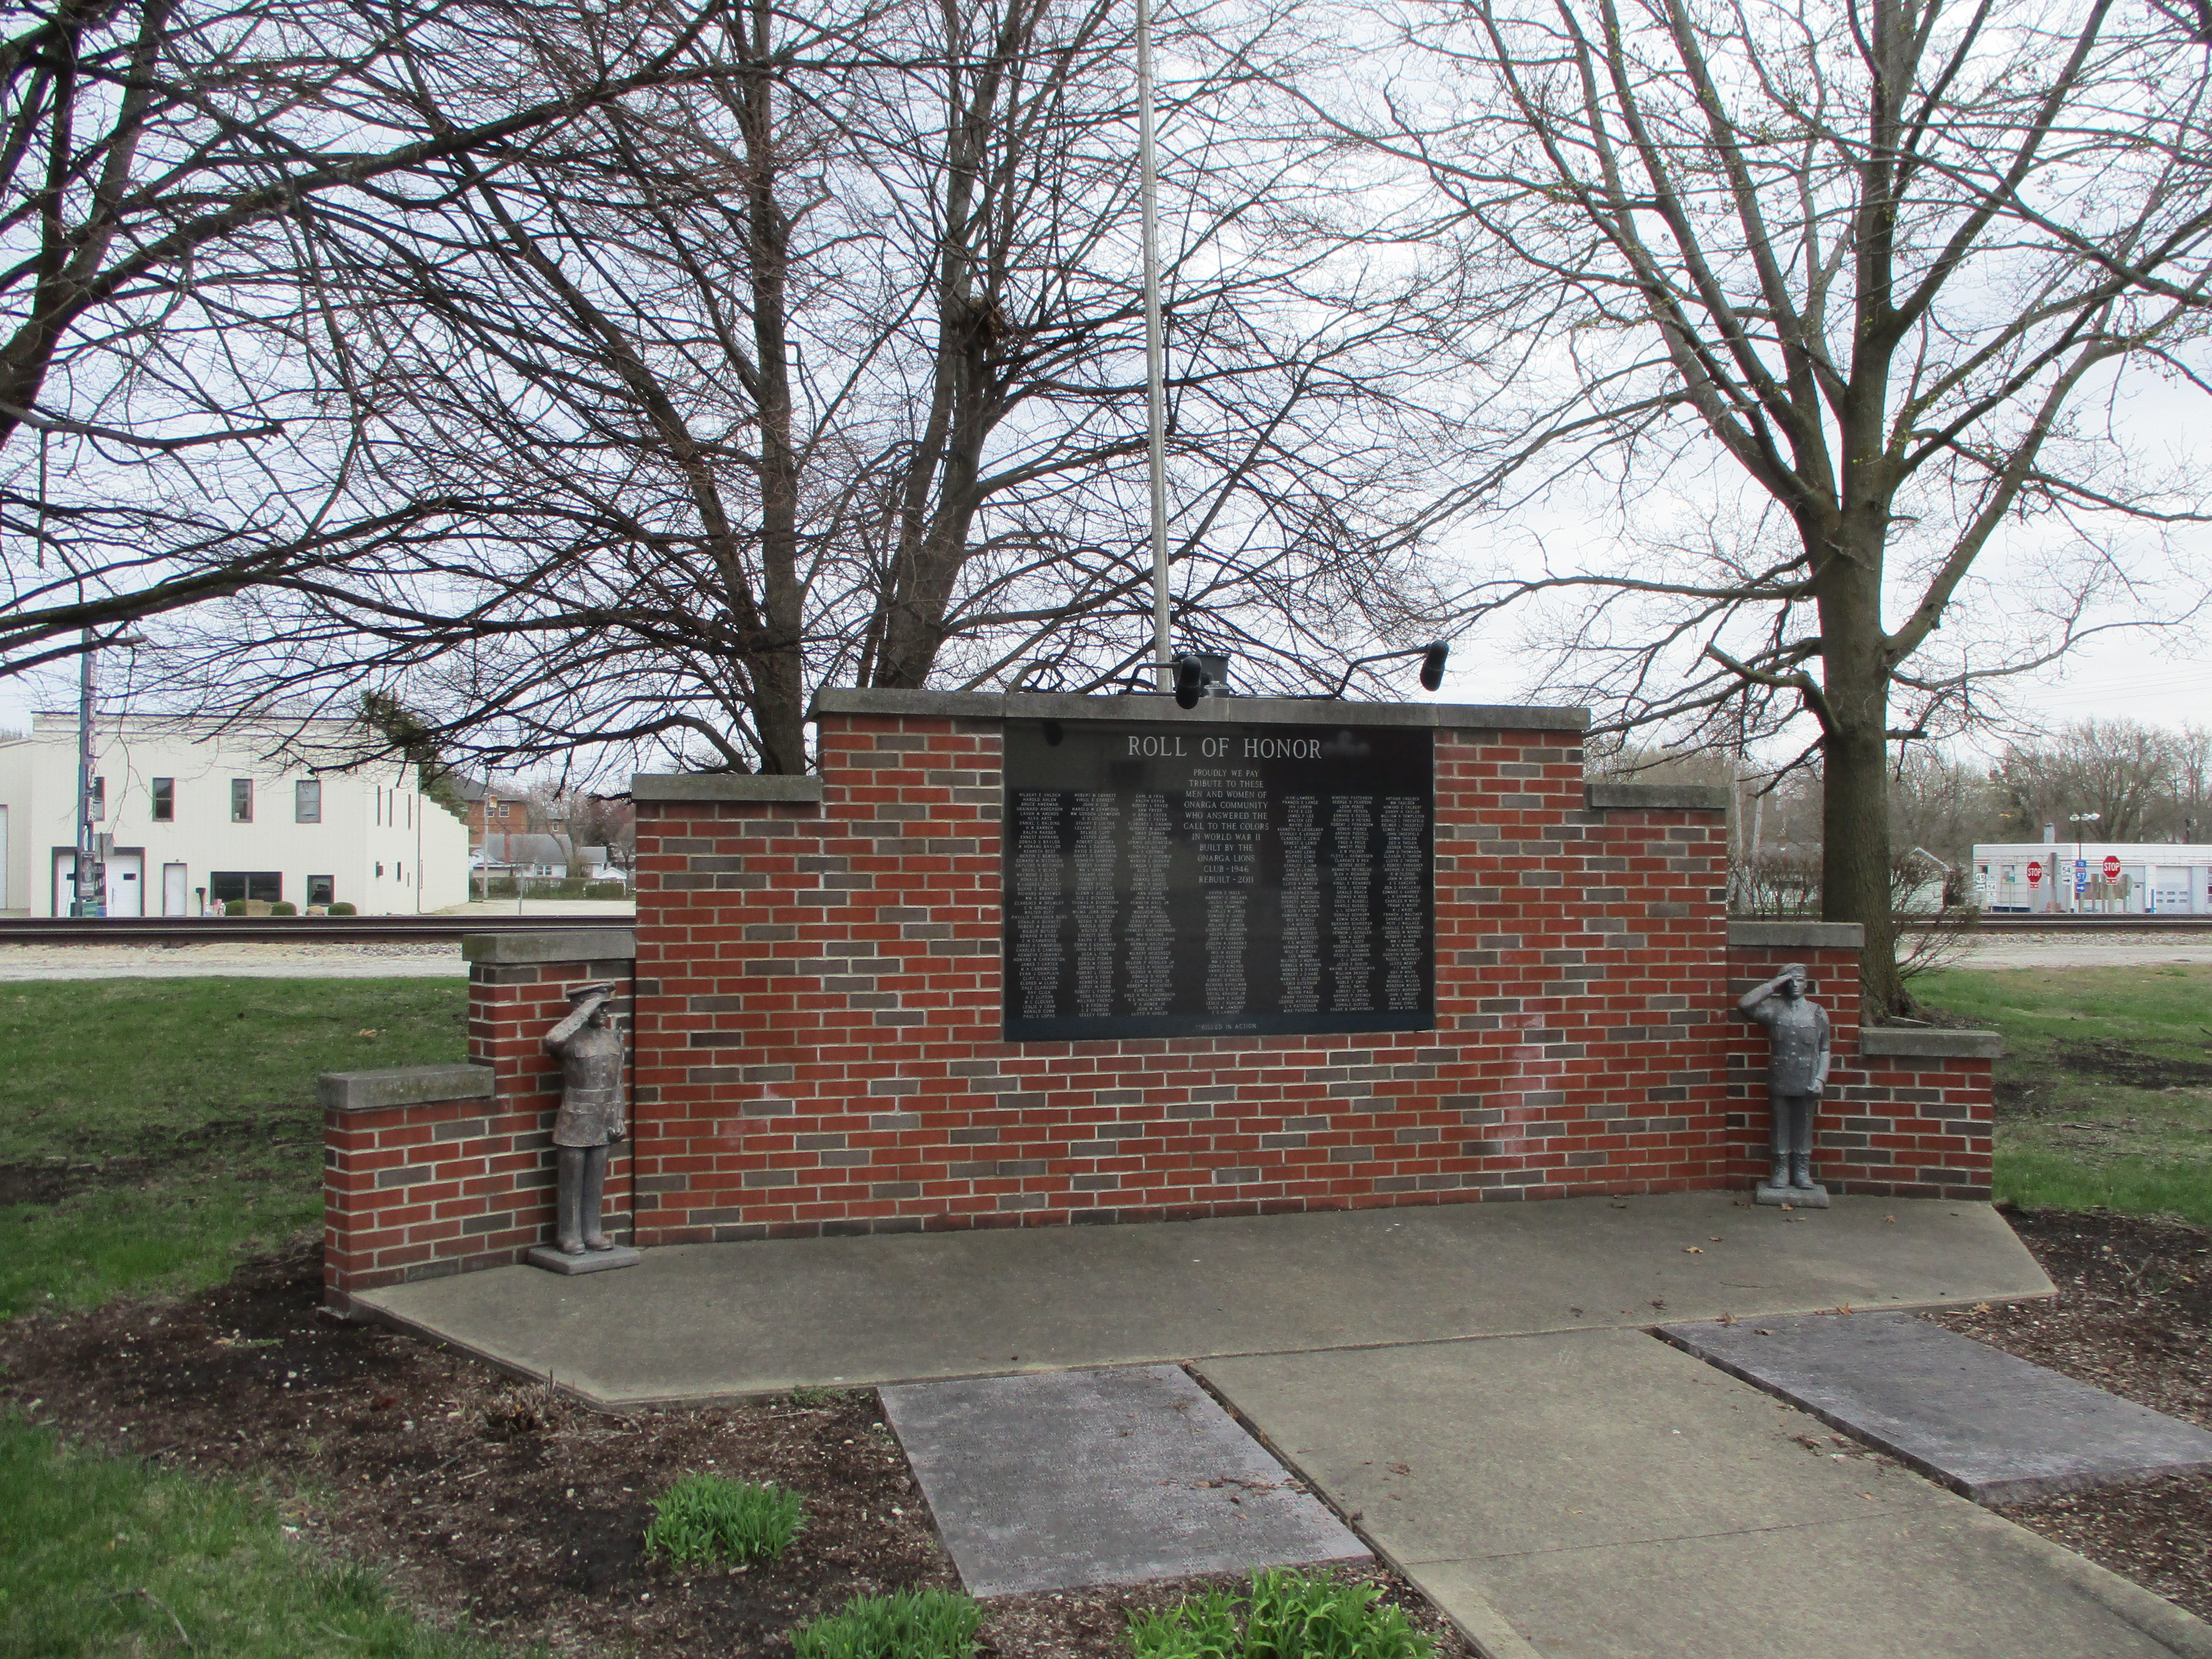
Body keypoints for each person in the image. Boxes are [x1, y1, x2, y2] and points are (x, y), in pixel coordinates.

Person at [544, 982, 626, 1253]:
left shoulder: (613, 1038)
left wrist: (619, 1118)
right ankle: (568, 1234)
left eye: (606, 1007)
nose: (604, 1012)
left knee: (595, 1181)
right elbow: (552, 1040)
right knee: (572, 1180)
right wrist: (584, 1010)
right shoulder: (569, 1040)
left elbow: (618, 1083)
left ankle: (592, 1232)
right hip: (575, 1119)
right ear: (582, 1009)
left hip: (604, 1118)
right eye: (598, 1007)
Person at [1737, 963, 1831, 1192]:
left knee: (1804, 1126)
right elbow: (1745, 1004)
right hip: (1780, 1077)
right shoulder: (1773, 1010)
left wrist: (1820, 1079)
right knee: (1780, 1125)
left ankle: (1801, 1171)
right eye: (1791, 981)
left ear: (1807, 984)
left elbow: (1825, 1049)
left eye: (1800, 980)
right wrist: (1776, 983)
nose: (1796, 985)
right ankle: (1780, 1170)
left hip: (1807, 1078)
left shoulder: (1817, 1012)